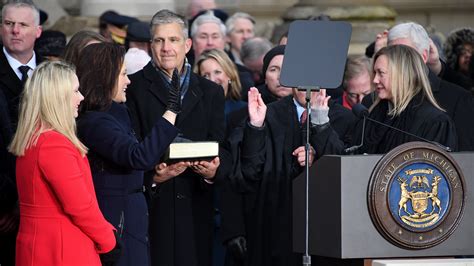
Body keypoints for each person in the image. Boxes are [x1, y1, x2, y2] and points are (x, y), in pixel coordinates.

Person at [126, 9, 225, 266]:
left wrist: (212, 172)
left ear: (187, 44)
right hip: (152, 210)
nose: (166, 47)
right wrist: (154, 177)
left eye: (173, 40)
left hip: (196, 207)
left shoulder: (211, 91)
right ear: (151, 45)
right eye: (159, 40)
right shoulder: (133, 88)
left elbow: (222, 145)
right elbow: (130, 147)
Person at [76, 42, 179, 266]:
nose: (128, 81)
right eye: (123, 74)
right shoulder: (95, 122)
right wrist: (171, 112)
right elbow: (137, 156)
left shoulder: (114, 116)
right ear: (105, 77)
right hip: (117, 222)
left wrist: (155, 177)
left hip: (130, 219)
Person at [8, 60, 119, 266]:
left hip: (39, 249)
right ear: (57, 98)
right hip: (63, 251)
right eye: (76, 91)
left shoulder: (34, 138)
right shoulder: (53, 144)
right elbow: (80, 206)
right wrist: (109, 241)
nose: (81, 97)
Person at [315, 45, 457, 156]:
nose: (375, 80)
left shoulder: (434, 122)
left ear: (402, 75)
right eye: (374, 73)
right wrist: (321, 124)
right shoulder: (374, 116)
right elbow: (347, 161)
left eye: (380, 73)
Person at [372, 22, 474, 151]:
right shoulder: (373, 103)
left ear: (423, 56)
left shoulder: (457, 100)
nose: (396, 59)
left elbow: (465, 159)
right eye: (391, 52)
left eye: (405, 54)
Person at [0, 1, 42, 264]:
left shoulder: (53, 74)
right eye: (8, 23)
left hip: (44, 205)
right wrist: (8, 203)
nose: (15, 30)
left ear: (38, 31)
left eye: (23, 24)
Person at [194, 48, 246, 115]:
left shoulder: (244, 109)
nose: (212, 80)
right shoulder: (193, 112)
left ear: (229, 74)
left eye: (217, 72)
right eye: (205, 75)